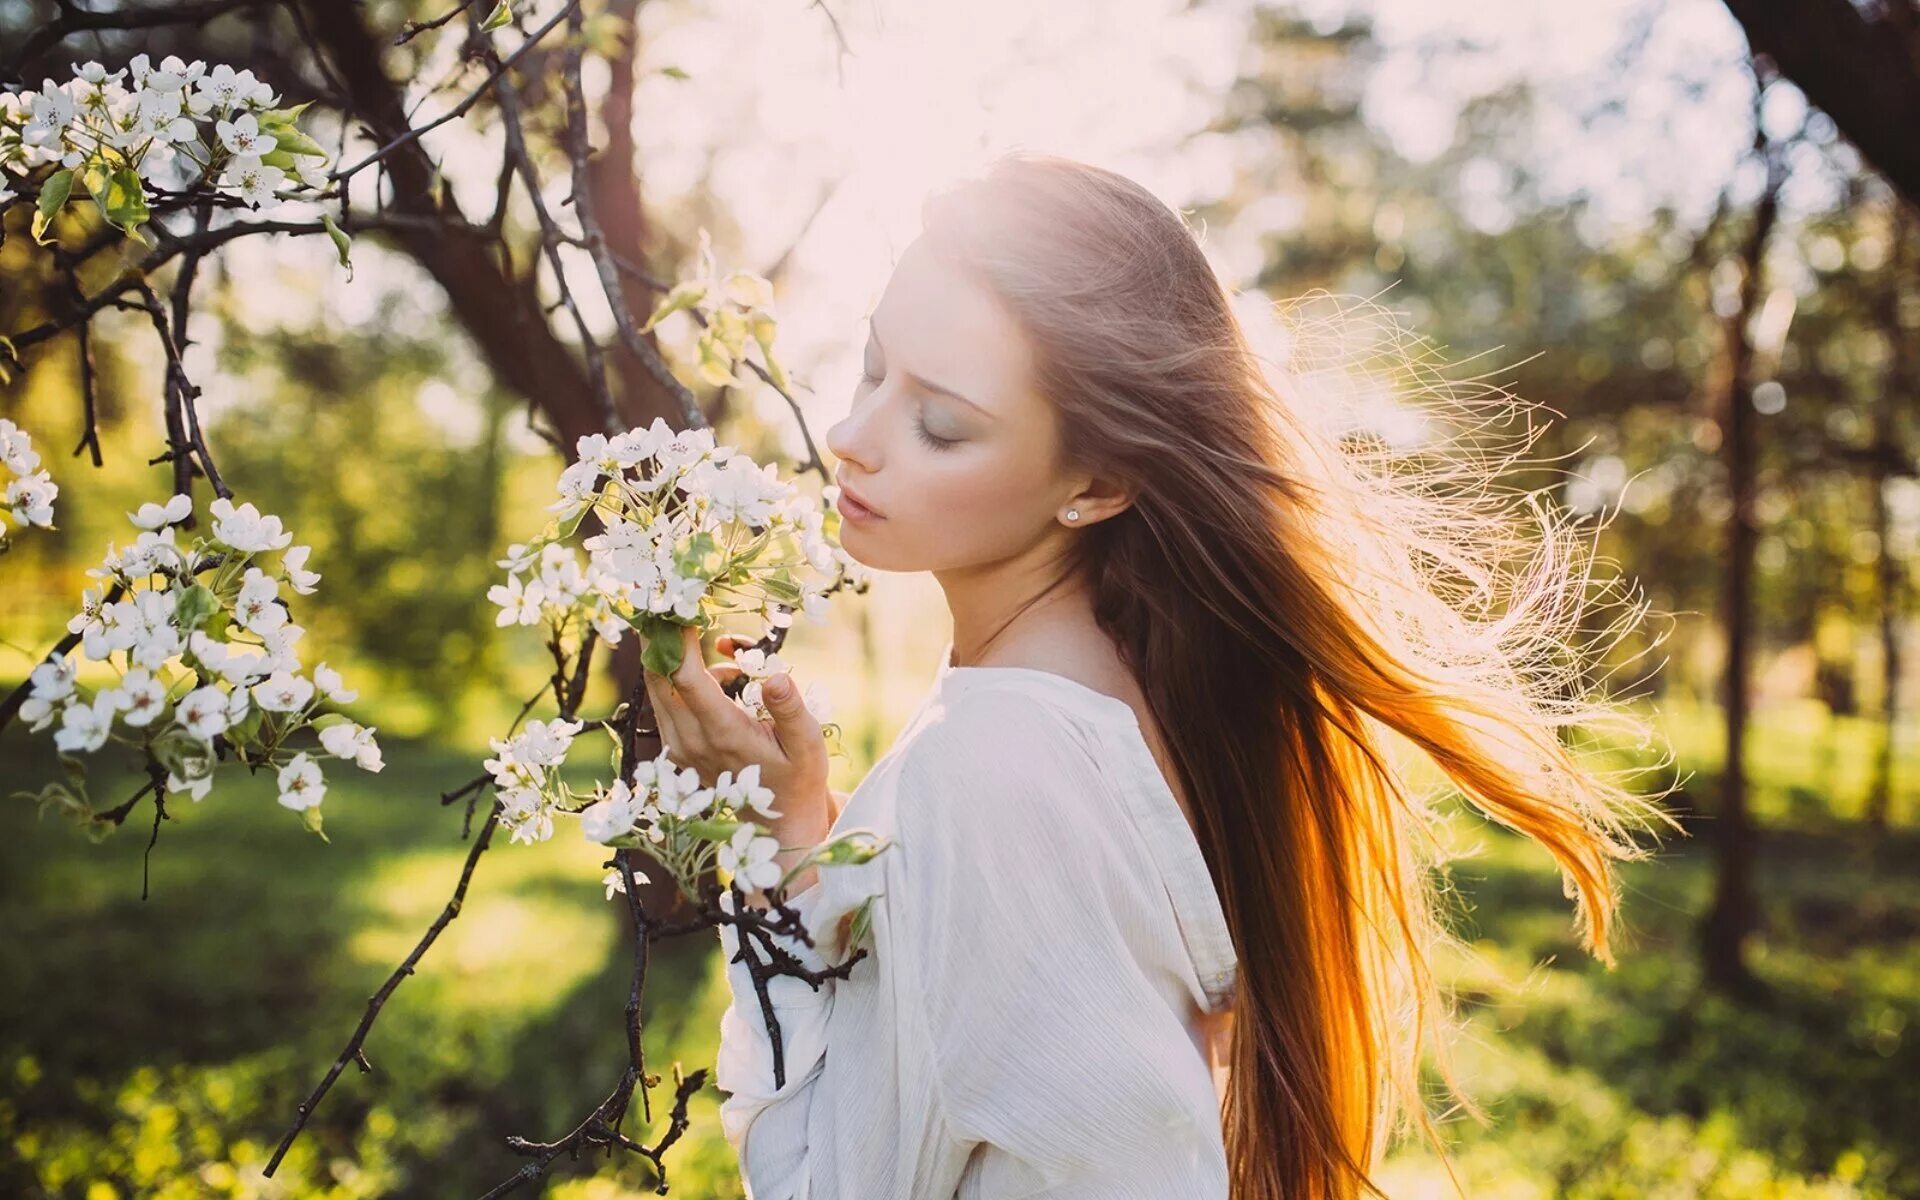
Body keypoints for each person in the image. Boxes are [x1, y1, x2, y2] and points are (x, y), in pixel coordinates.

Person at [641, 150, 1679, 1200]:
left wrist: (775, 857)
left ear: (1096, 482)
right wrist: (806, 834)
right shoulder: (1126, 699)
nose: (851, 439)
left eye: (941, 423)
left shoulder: (993, 773)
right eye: (871, 367)